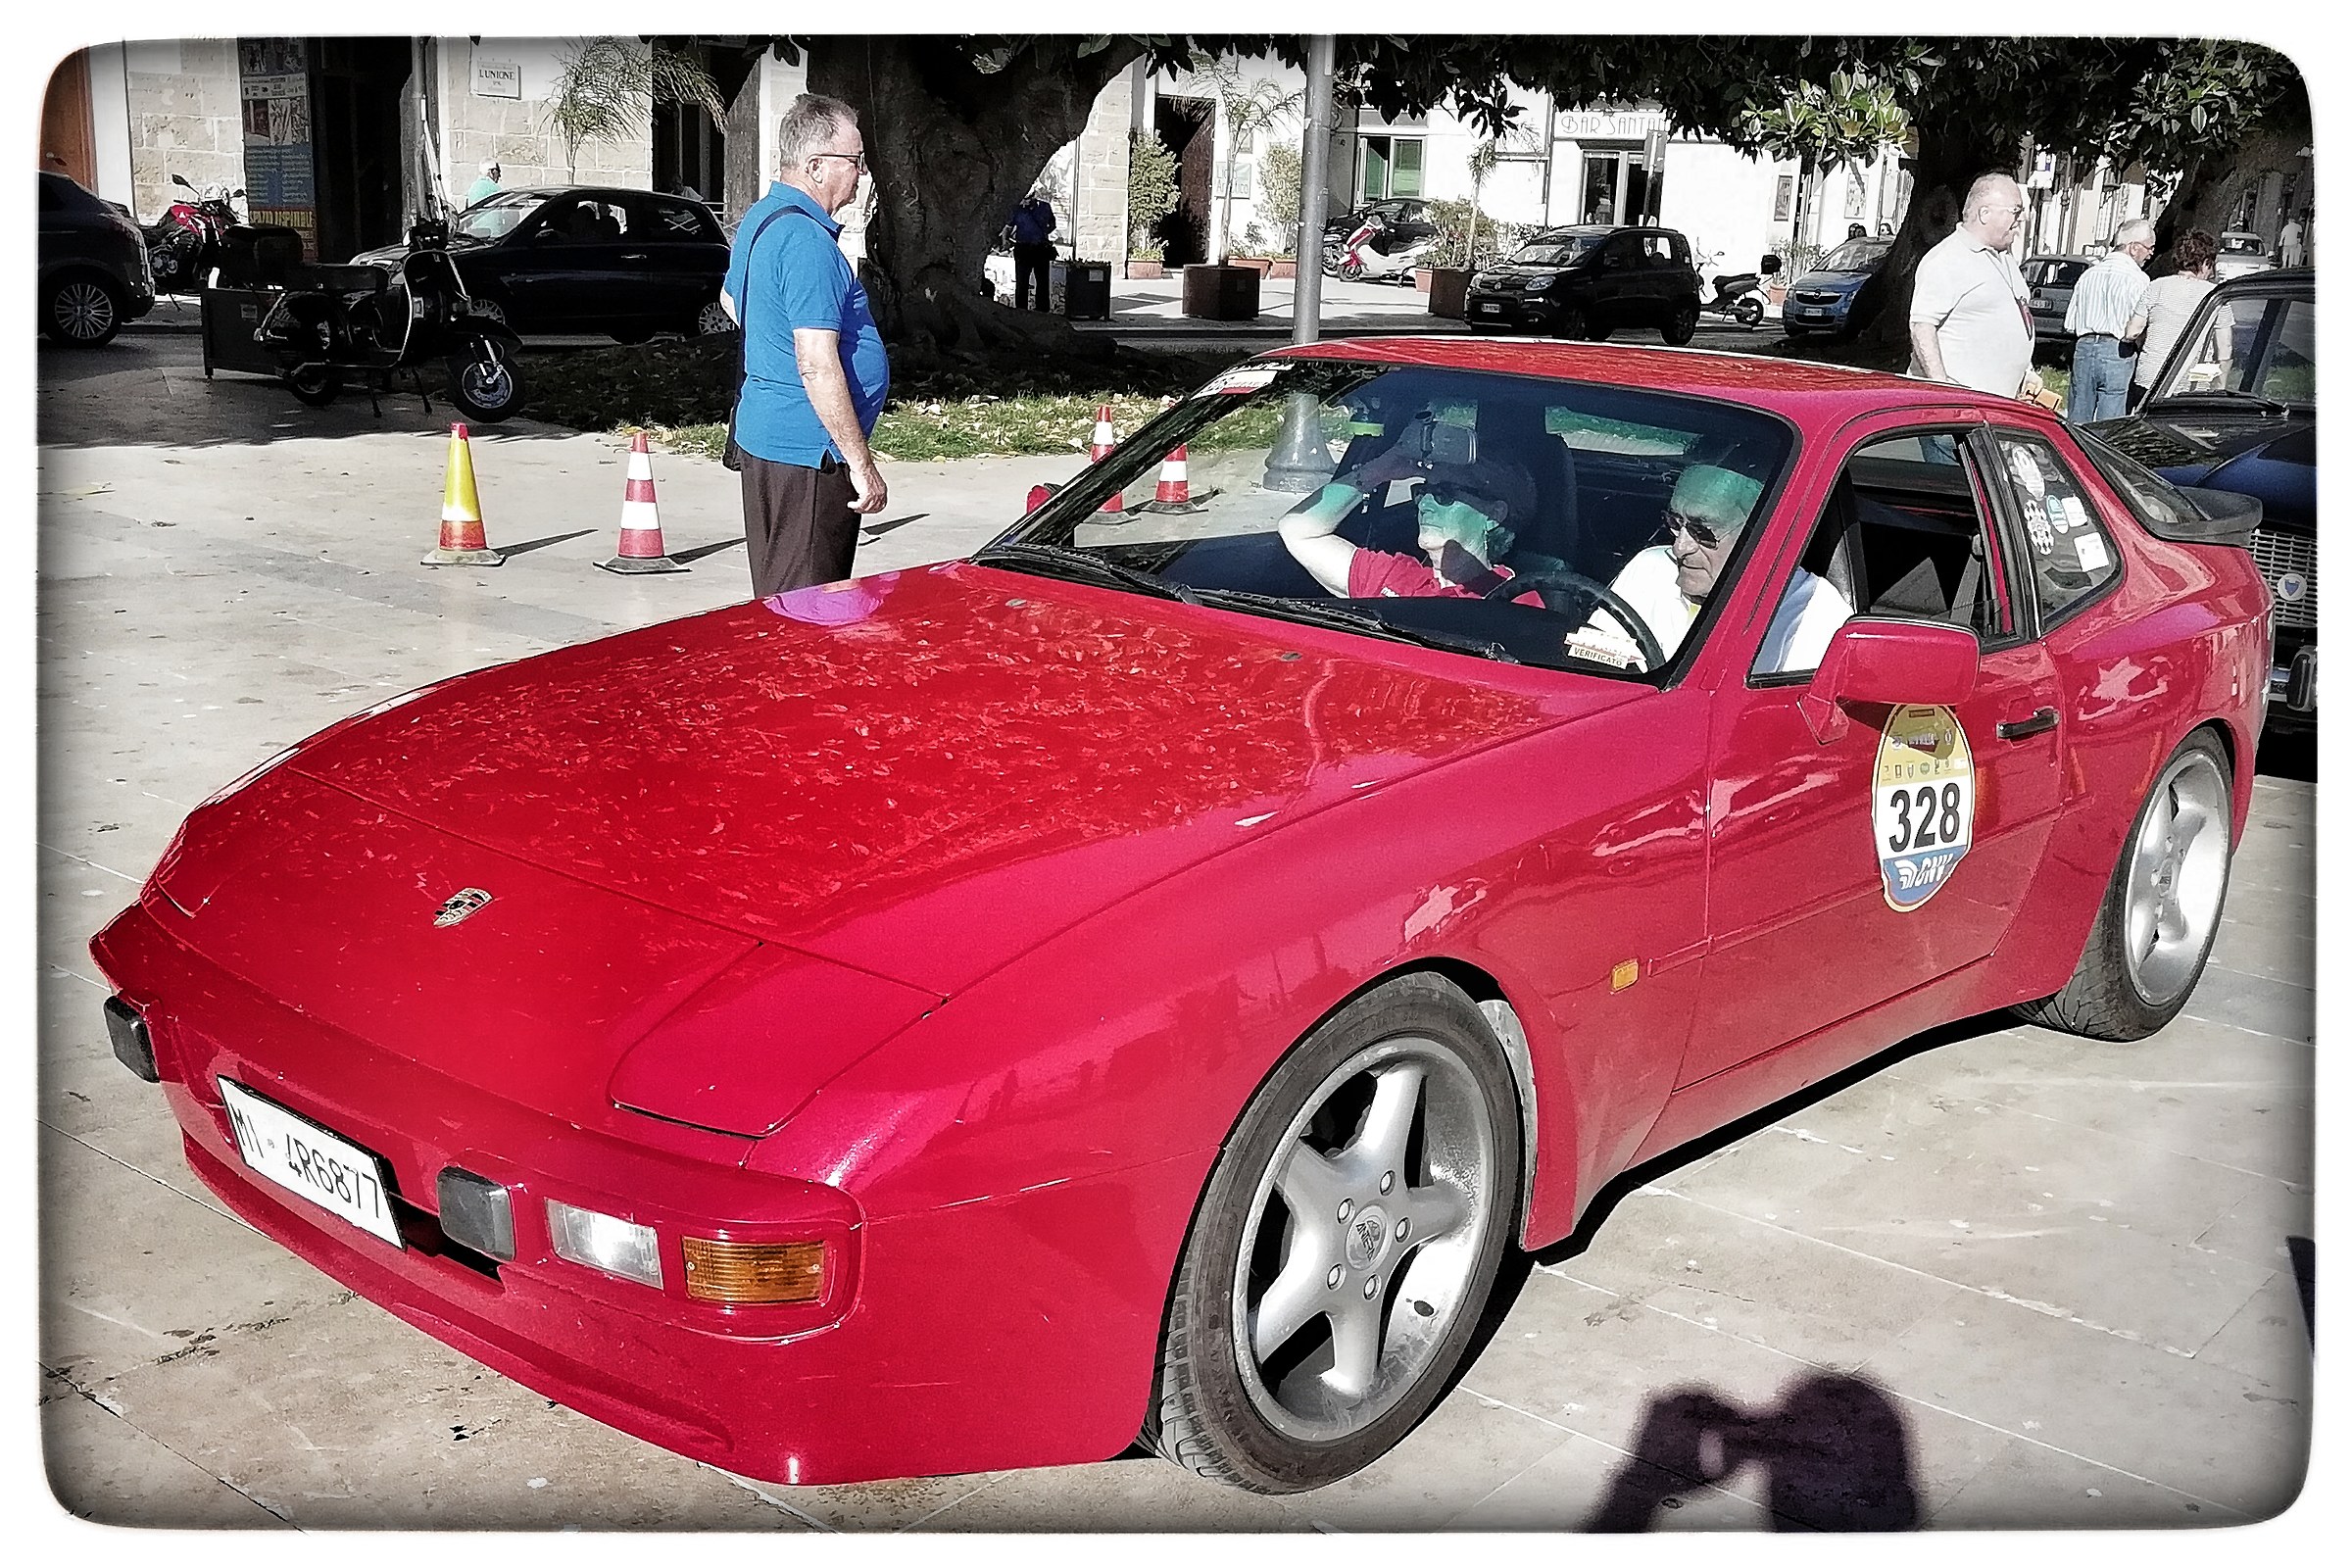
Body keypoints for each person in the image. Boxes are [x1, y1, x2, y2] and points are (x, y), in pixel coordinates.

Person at [722, 93, 890, 598]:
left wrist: (773, 344)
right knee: (806, 613)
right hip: (810, 454)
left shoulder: (762, 218)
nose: (862, 173)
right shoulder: (807, 242)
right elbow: (816, 363)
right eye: (855, 160)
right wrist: (861, 466)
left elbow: (731, 299)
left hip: (770, 441)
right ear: (816, 166)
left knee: (778, 600)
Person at [1578, 464, 1850, 673]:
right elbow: (1591, 661)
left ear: (1761, 533)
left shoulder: (1814, 613)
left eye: (1702, 532)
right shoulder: (1651, 567)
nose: (1679, 548)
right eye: (1675, 523)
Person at [1277, 430, 1544, 606]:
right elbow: (1297, 530)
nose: (1425, 503)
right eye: (1422, 490)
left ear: (1494, 514)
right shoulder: (1398, 576)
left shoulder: (1513, 600)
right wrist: (1378, 471)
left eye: (1444, 493)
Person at [1907, 172, 2039, 401]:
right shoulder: (1948, 258)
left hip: (1998, 406)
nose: (2021, 219)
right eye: (2015, 211)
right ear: (1984, 214)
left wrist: (2026, 373)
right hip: (1957, 409)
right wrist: (1942, 389)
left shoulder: (2005, 258)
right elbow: (1922, 326)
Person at [2126, 228, 2229, 412]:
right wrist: (2219, 386)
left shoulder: (2156, 287)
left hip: (2151, 377)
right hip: (2194, 382)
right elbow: (2225, 348)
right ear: (2206, 263)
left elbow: (2132, 332)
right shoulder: (2216, 296)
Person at [2064, 219, 2156, 423]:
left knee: (2078, 419)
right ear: (2134, 248)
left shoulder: (2088, 275)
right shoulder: (2138, 279)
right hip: (2118, 349)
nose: (2151, 254)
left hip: (2084, 347)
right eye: (2149, 248)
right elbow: (2139, 326)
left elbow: (2070, 324)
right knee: (2111, 423)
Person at [1009, 192, 1057, 313]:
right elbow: (1009, 226)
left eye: (1027, 199)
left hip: (1040, 248)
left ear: (1033, 197)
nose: (1025, 202)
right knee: (1022, 282)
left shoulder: (1045, 207)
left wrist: (1043, 233)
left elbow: (1052, 224)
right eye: (1023, 199)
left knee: (1042, 281)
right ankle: (1021, 310)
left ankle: (1042, 310)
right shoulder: (1018, 209)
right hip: (1023, 248)